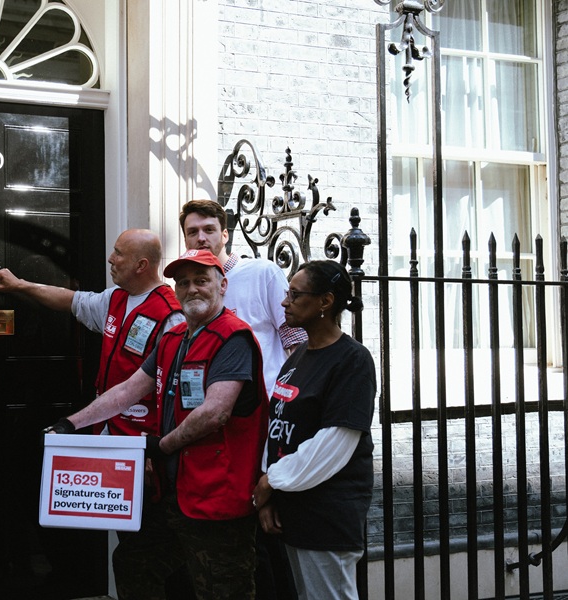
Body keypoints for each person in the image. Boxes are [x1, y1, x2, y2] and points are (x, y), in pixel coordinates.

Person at [47, 248, 270, 599]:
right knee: (134, 563)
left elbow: (216, 412)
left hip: (216, 497)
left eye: (201, 281)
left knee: (222, 589)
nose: (192, 289)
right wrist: (69, 425)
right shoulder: (173, 338)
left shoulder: (233, 337)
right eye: (184, 283)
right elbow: (127, 390)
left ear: (222, 285)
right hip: (176, 493)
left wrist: (161, 445)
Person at [0, 228, 187, 598]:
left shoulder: (172, 317)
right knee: (127, 540)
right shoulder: (116, 299)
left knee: (148, 548)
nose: (110, 259)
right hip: (110, 439)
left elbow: (174, 394)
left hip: (145, 451)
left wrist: (154, 452)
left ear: (142, 265)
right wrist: (19, 286)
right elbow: (70, 300)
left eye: (118, 254)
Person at [179, 199, 304, 599]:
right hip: (213, 433)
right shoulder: (190, 286)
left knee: (263, 525)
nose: (202, 237)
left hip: (262, 423)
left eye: (209, 229)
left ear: (225, 234)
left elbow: (295, 338)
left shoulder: (261, 272)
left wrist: (291, 402)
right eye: (193, 231)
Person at [252, 260, 376, 600]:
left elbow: (336, 441)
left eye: (295, 294)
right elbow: (275, 427)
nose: (284, 302)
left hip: (327, 518)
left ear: (325, 301)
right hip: (292, 513)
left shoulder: (352, 360)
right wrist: (270, 493)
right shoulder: (298, 357)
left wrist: (271, 481)